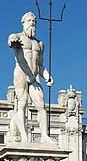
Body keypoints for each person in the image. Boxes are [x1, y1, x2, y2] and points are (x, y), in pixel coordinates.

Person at [8, 12, 55, 144]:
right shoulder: (17, 36)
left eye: (34, 21)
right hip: (21, 73)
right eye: (29, 21)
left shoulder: (40, 44)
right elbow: (11, 41)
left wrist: (47, 76)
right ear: (23, 23)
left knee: (41, 105)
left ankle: (44, 135)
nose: (32, 23)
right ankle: (24, 135)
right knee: (22, 104)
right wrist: (13, 42)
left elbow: (40, 65)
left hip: (34, 78)